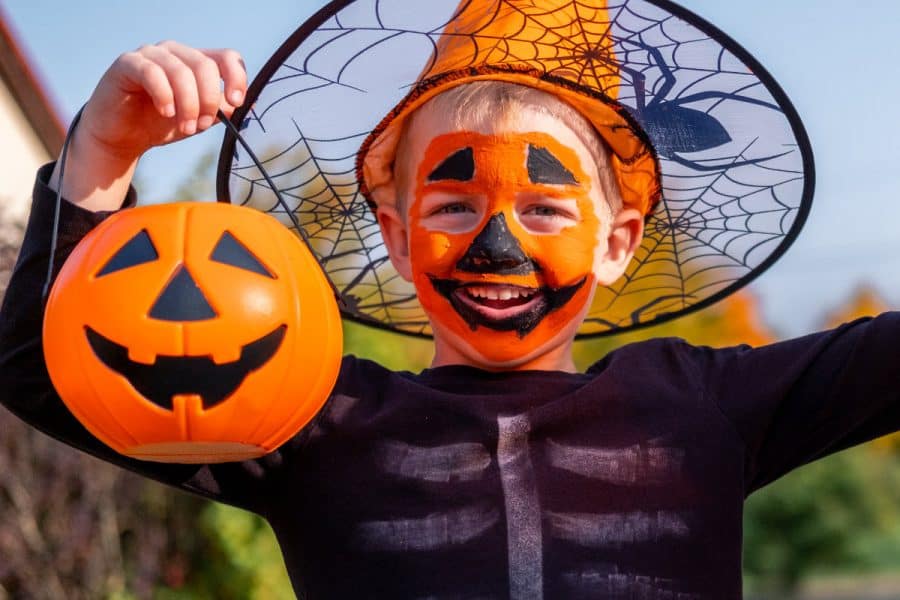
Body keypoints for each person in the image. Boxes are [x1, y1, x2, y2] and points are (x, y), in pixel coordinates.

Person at [1, 3, 899, 599]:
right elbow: (38, 368)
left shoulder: (705, 407)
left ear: (617, 241)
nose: (495, 246)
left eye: (545, 208)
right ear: (395, 236)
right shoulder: (303, 414)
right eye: (454, 205)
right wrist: (104, 155)